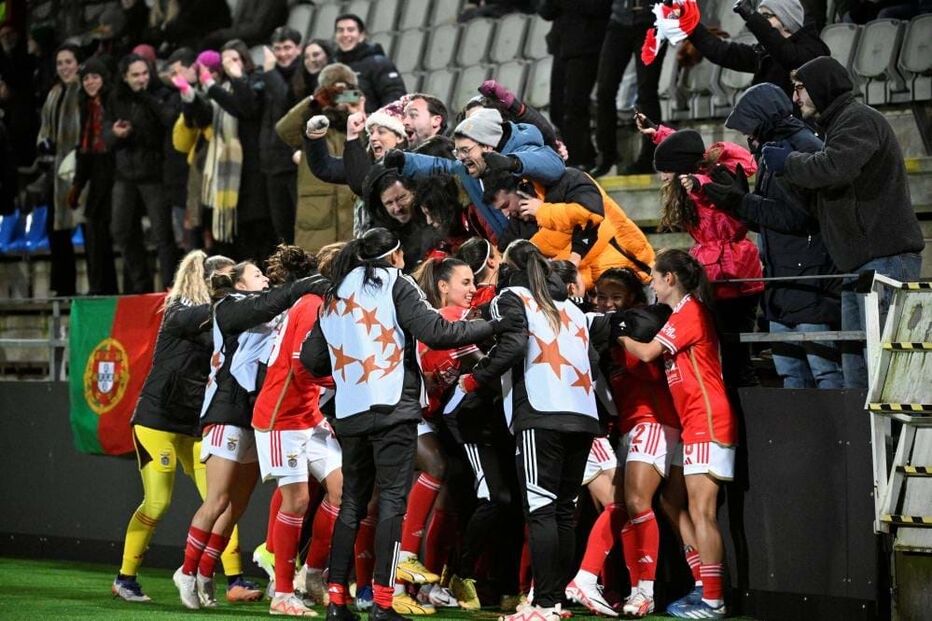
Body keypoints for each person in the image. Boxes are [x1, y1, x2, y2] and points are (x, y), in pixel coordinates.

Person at [299, 227, 516, 621]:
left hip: (350, 412)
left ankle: (337, 601)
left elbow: (312, 359)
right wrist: (493, 325)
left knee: (351, 505)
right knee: (392, 507)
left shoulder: (333, 294)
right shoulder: (396, 284)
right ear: (396, 256)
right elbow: (437, 331)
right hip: (392, 408)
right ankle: (383, 602)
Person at [174, 259, 329, 610]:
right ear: (240, 285)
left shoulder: (271, 309)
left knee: (236, 505)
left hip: (253, 414)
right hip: (226, 411)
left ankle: (205, 571)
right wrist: (304, 284)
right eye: (257, 275)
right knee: (217, 499)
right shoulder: (229, 307)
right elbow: (268, 305)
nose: (265, 278)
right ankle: (186, 571)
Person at [762, 56, 924, 388]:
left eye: (800, 89)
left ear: (821, 87)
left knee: (882, 362)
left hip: (885, 260)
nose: (796, 98)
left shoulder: (859, 120)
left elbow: (835, 167)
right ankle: (865, 439)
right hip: (859, 264)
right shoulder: (836, 126)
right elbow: (821, 192)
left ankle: (891, 438)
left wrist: (790, 162)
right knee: (857, 364)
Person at [463, 240, 601, 621]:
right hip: (582, 414)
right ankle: (553, 599)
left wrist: (474, 382)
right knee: (562, 512)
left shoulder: (513, 298)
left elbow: (511, 346)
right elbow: (593, 357)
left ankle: (543, 604)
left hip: (541, 411)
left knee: (540, 510)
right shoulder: (573, 308)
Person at [618, 248, 737, 620]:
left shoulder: (689, 312)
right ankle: (702, 583)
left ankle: (714, 601)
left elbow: (649, 352)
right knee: (671, 502)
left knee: (703, 511)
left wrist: (617, 332)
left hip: (708, 420)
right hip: (693, 421)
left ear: (670, 278)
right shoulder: (682, 313)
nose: (652, 285)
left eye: (654, 277)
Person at [113, 250, 237, 603]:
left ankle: (235, 578)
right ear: (212, 282)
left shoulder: (217, 319)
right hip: (157, 421)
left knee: (220, 499)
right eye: (228, 280)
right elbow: (215, 319)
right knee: (157, 502)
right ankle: (125, 578)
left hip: (193, 424)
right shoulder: (181, 312)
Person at [704, 82, 843, 389]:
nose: (747, 137)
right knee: (790, 372)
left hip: (810, 280)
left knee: (824, 371)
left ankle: (843, 438)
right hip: (783, 281)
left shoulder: (799, 147)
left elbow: (798, 217)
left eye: (749, 128)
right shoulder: (772, 149)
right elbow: (771, 220)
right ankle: (800, 438)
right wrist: (739, 203)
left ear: (763, 119)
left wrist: (740, 202)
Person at [251, 245, 345, 616]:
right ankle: (283, 593)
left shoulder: (327, 304)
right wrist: (349, 377)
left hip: (307, 415)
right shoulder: (310, 305)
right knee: (297, 501)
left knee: (342, 489)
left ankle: (313, 573)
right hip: (282, 416)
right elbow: (302, 366)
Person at [647, 122, 764, 387]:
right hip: (714, 274)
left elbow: (725, 192)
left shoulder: (716, 177)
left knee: (736, 360)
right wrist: (658, 133)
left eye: (666, 170)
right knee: (718, 355)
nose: (663, 177)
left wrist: (700, 185)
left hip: (732, 277)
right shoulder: (693, 175)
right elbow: (687, 147)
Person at [387, 106, 565, 245]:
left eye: (466, 150)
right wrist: (405, 160)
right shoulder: (470, 167)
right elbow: (439, 165)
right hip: (515, 250)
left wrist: (512, 163)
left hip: (557, 248)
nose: (461, 157)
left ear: (488, 146)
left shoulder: (524, 150)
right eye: (458, 151)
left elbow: (555, 165)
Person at [484, 166, 655, 289]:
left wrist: (542, 211)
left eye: (506, 204)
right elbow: (502, 255)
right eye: (501, 210)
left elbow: (590, 215)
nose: (506, 213)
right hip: (593, 292)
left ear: (521, 189)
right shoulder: (519, 222)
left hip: (635, 275)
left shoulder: (570, 180)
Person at [105, 52, 178, 293]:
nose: (141, 79)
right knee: (121, 230)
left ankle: (169, 288)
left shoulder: (160, 94)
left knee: (162, 234)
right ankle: (141, 284)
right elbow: (105, 133)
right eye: (135, 75)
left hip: (154, 173)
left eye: (145, 73)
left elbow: (168, 120)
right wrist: (115, 133)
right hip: (124, 173)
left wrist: (147, 97)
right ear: (125, 77)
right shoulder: (116, 98)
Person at [196, 39, 275, 263]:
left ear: (244, 61)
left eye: (234, 59)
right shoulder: (223, 88)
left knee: (260, 231)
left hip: (254, 168)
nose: (229, 65)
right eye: (225, 61)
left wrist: (226, 82)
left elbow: (246, 107)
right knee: (240, 236)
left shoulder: (256, 81)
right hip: (231, 176)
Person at [275, 62, 360, 252]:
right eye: (333, 92)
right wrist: (314, 102)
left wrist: (358, 112)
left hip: (352, 218)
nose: (340, 97)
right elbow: (284, 131)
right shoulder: (312, 123)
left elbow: (373, 147)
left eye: (346, 91)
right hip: (317, 220)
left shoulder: (358, 123)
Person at [685, 0, 830, 97]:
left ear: (787, 21)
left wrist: (752, 17)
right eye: (761, 17)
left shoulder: (813, 51)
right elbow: (723, 52)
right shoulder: (766, 54)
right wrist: (688, 23)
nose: (762, 22)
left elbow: (788, 56)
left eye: (766, 16)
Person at [591, 0, 664, 177]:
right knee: (605, 90)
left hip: (652, 21)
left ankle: (648, 158)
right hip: (620, 20)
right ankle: (606, 156)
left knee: (647, 91)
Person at [537, 0, 611, 170]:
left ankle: (579, 159)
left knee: (575, 105)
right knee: (557, 109)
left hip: (587, 46)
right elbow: (545, 10)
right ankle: (585, 154)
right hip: (562, 46)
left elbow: (599, 7)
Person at [36, 43, 83, 296]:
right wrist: (44, 142)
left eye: (68, 61)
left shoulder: (83, 90)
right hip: (57, 172)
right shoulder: (54, 93)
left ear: (78, 63)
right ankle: (62, 286)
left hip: (81, 170)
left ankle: (98, 286)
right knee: (57, 230)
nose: (64, 67)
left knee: (86, 226)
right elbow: (44, 126)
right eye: (60, 63)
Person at [70, 57, 119, 295]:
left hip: (117, 173)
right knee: (93, 231)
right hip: (97, 174)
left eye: (95, 77)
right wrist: (77, 185)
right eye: (86, 78)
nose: (90, 82)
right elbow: (84, 150)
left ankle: (113, 288)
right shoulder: (85, 108)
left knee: (114, 232)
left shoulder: (114, 101)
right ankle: (100, 287)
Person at [260, 26, 303, 244]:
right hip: (272, 164)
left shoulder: (302, 74)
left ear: (299, 48)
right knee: (282, 228)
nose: (283, 53)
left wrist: (269, 73)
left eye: (288, 48)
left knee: (300, 225)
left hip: (294, 163)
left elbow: (288, 102)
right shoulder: (267, 77)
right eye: (278, 48)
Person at [332, 14, 406, 113]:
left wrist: (379, 122)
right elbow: (353, 96)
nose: (345, 34)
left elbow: (394, 94)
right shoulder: (332, 66)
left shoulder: (379, 63)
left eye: (350, 30)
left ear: (361, 35)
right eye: (340, 30)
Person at [201, 0, 288, 49]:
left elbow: (256, 30)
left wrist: (221, 34)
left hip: (256, 40)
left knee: (211, 40)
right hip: (241, 34)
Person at [456, 237, 502, 308]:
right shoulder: (503, 293)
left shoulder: (472, 305)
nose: (501, 254)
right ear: (491, 262)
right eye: (498, 253)